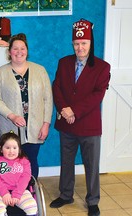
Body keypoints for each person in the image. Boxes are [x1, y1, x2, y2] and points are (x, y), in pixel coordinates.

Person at [49, 19, 110, 216]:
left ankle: (93, 201)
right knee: (66, 161)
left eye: (84, 43)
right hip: (66, 124)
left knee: (91, 165)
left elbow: (97, 95)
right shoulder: (64, 62)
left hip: (88, 125)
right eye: (76, 43)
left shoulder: (102, 67)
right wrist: (64, 109)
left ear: (90, 44)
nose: (79, 47)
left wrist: (73, 110)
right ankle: (66, 194)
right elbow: (56, 87)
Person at [0, 33, 53, 179]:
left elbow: (48, 99)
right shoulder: (0, 73)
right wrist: (12, 115)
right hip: (9, 129)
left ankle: (31, 195)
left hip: (35, 128)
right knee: (11, 166)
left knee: (30, 163)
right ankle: (11, 196)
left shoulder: (40, 71)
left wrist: (46, 124)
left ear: (27, 51)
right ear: (9, 51)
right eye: (15, 48)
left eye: (22, 48)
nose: (19, 52)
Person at [0, 131, 38, 216]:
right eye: (7, 148)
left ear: (19, 149)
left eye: (14, 148)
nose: (11, 151)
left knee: (32, 208)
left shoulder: (24, 161)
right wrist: (4, 193)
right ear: (1, 148)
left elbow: (25, 178)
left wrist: (17, 194)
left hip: (20, 191)